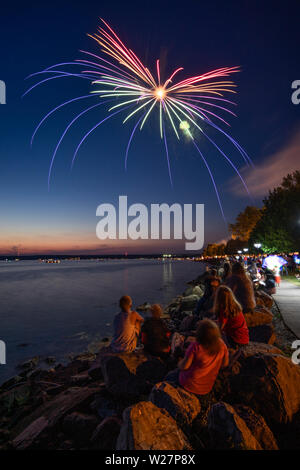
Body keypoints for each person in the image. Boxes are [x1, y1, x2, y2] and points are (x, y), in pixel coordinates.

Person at [166, 320, 229, 402]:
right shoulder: (222, 345)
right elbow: (225, 364)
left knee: (169, 376)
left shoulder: (196, 346)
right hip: (206, 387)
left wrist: (179, 362)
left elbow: (184, 366)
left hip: (189, 384)